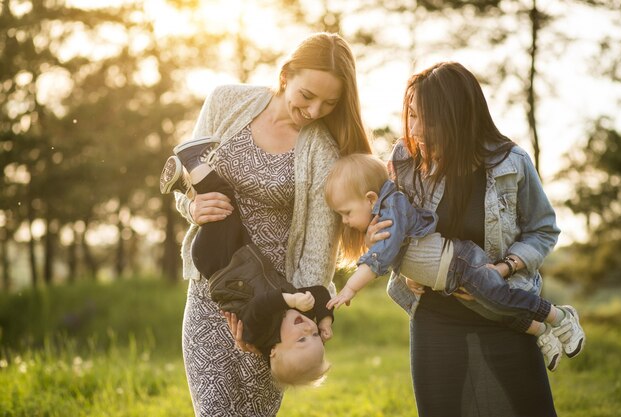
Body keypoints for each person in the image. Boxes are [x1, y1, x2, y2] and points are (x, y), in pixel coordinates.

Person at [171, 32, 371, 416]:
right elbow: (185, 174)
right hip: (213, 288)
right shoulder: (226, 101)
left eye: (329, 103)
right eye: (307, 95)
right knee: (212, 410)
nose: (314, 111)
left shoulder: (322, 149)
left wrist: (295, 319)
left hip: (274, 302)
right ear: (286, 75)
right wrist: (192, 208)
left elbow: (318, 245)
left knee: (254, 412)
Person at [377, 61, 563, 416]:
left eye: (424, 119)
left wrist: (504, 268)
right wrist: (403, 266)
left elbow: (543, 229)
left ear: (457, 116)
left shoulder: (512, 162)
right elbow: (392, 226)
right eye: (411, 115)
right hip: (435, 316)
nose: (413, 129)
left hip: (506, 311)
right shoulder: (404, 161)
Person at [324, 154, 585, 372]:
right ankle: (541, 331)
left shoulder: (393, 208)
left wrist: (350, 288)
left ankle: (559, 315)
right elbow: (401, 253)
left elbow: (381, 256)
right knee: (492, 311)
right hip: (448, 280)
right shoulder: (382, 216)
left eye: (345, 213)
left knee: (499, 298)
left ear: (371, 198)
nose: (344, 221)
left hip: (460, 263)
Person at [160, 142, 334, 387]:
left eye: (302, 340)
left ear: (274, 351)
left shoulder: (259, 333)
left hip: (217, 260)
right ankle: (184, 186)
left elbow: (259, 308)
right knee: (225, 210)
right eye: (315, 335)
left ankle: (192, 160)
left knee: (225, 201)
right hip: (239, 253)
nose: (308, 329)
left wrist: (290, 300)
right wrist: (325, 317)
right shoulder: (295, 311)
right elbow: (319, 292)